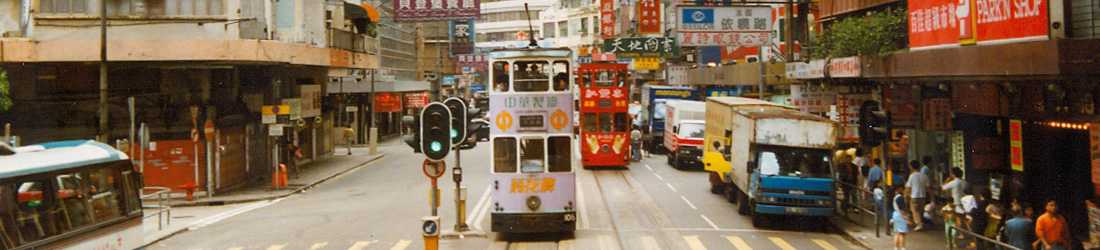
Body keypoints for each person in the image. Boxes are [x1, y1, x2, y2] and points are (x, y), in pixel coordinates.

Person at [906, 160, 930, 231]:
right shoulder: (924, 176)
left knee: (914, 210)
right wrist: (931, 195)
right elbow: (928, 187)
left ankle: (919, 224)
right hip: (923, 195)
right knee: (920, 210)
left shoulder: (912, 176)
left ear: (912, 167)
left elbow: (908, 187)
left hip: (914, 195)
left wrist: (906, 195)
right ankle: (920, 222)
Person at [893, 185, 911, 250]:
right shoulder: (900, 198)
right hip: (900, 216)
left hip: (895, 215)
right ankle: (903, 247)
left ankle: (896, 247)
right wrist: (906, 218)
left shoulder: (895, 197)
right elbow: (901, 209)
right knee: (902, 233)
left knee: (897, 232)